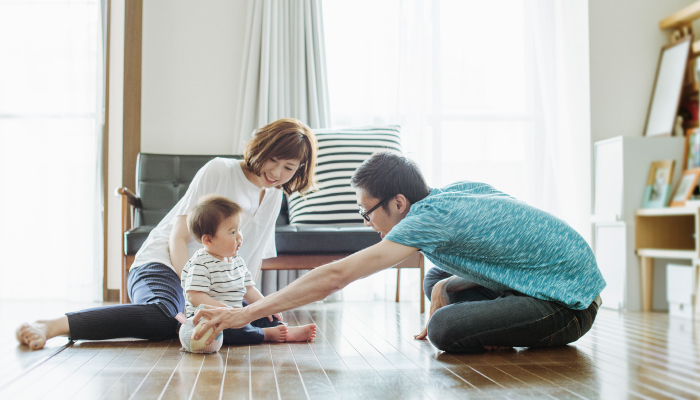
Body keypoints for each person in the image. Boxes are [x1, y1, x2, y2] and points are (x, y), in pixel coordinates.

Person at [192, 151, 606, 353]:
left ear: (399, 203)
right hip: (553, 279)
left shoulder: (424, 221)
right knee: (436, 280)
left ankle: (504, 323)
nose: (366, 222)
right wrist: (446, 289)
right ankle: (490, 315)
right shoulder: (452, 195)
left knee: (445, 330)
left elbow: (338, 275)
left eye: (366, 211)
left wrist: (244, 313)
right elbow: (504, 252)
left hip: (569, 305)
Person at [16, 118, 317, 350]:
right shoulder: (221, 171)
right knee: (163, 315)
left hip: (208, 283)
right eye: (273, 160)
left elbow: (248, 262)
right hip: (163, 264)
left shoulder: (274, 196)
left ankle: (194, 321)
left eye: (288, 167)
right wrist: (191, 290)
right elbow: (177, 235)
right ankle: (55, 325)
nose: (276, 173)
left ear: (299, 170)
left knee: (259, 318)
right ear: (260, 148)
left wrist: (256, 308)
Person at [181, 195, 316, 343]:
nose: (239, 237)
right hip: (210, 320)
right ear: (208, 240)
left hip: (236, 313)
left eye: (239, 229)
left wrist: (266, 306)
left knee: (263, 313)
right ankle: (265, 334)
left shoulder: (237, 261)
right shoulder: (201, 263)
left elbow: (249, 289)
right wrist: (225, 310)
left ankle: (282, 328)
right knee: (231, 331)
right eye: (232, 232)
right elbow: (194, 295)